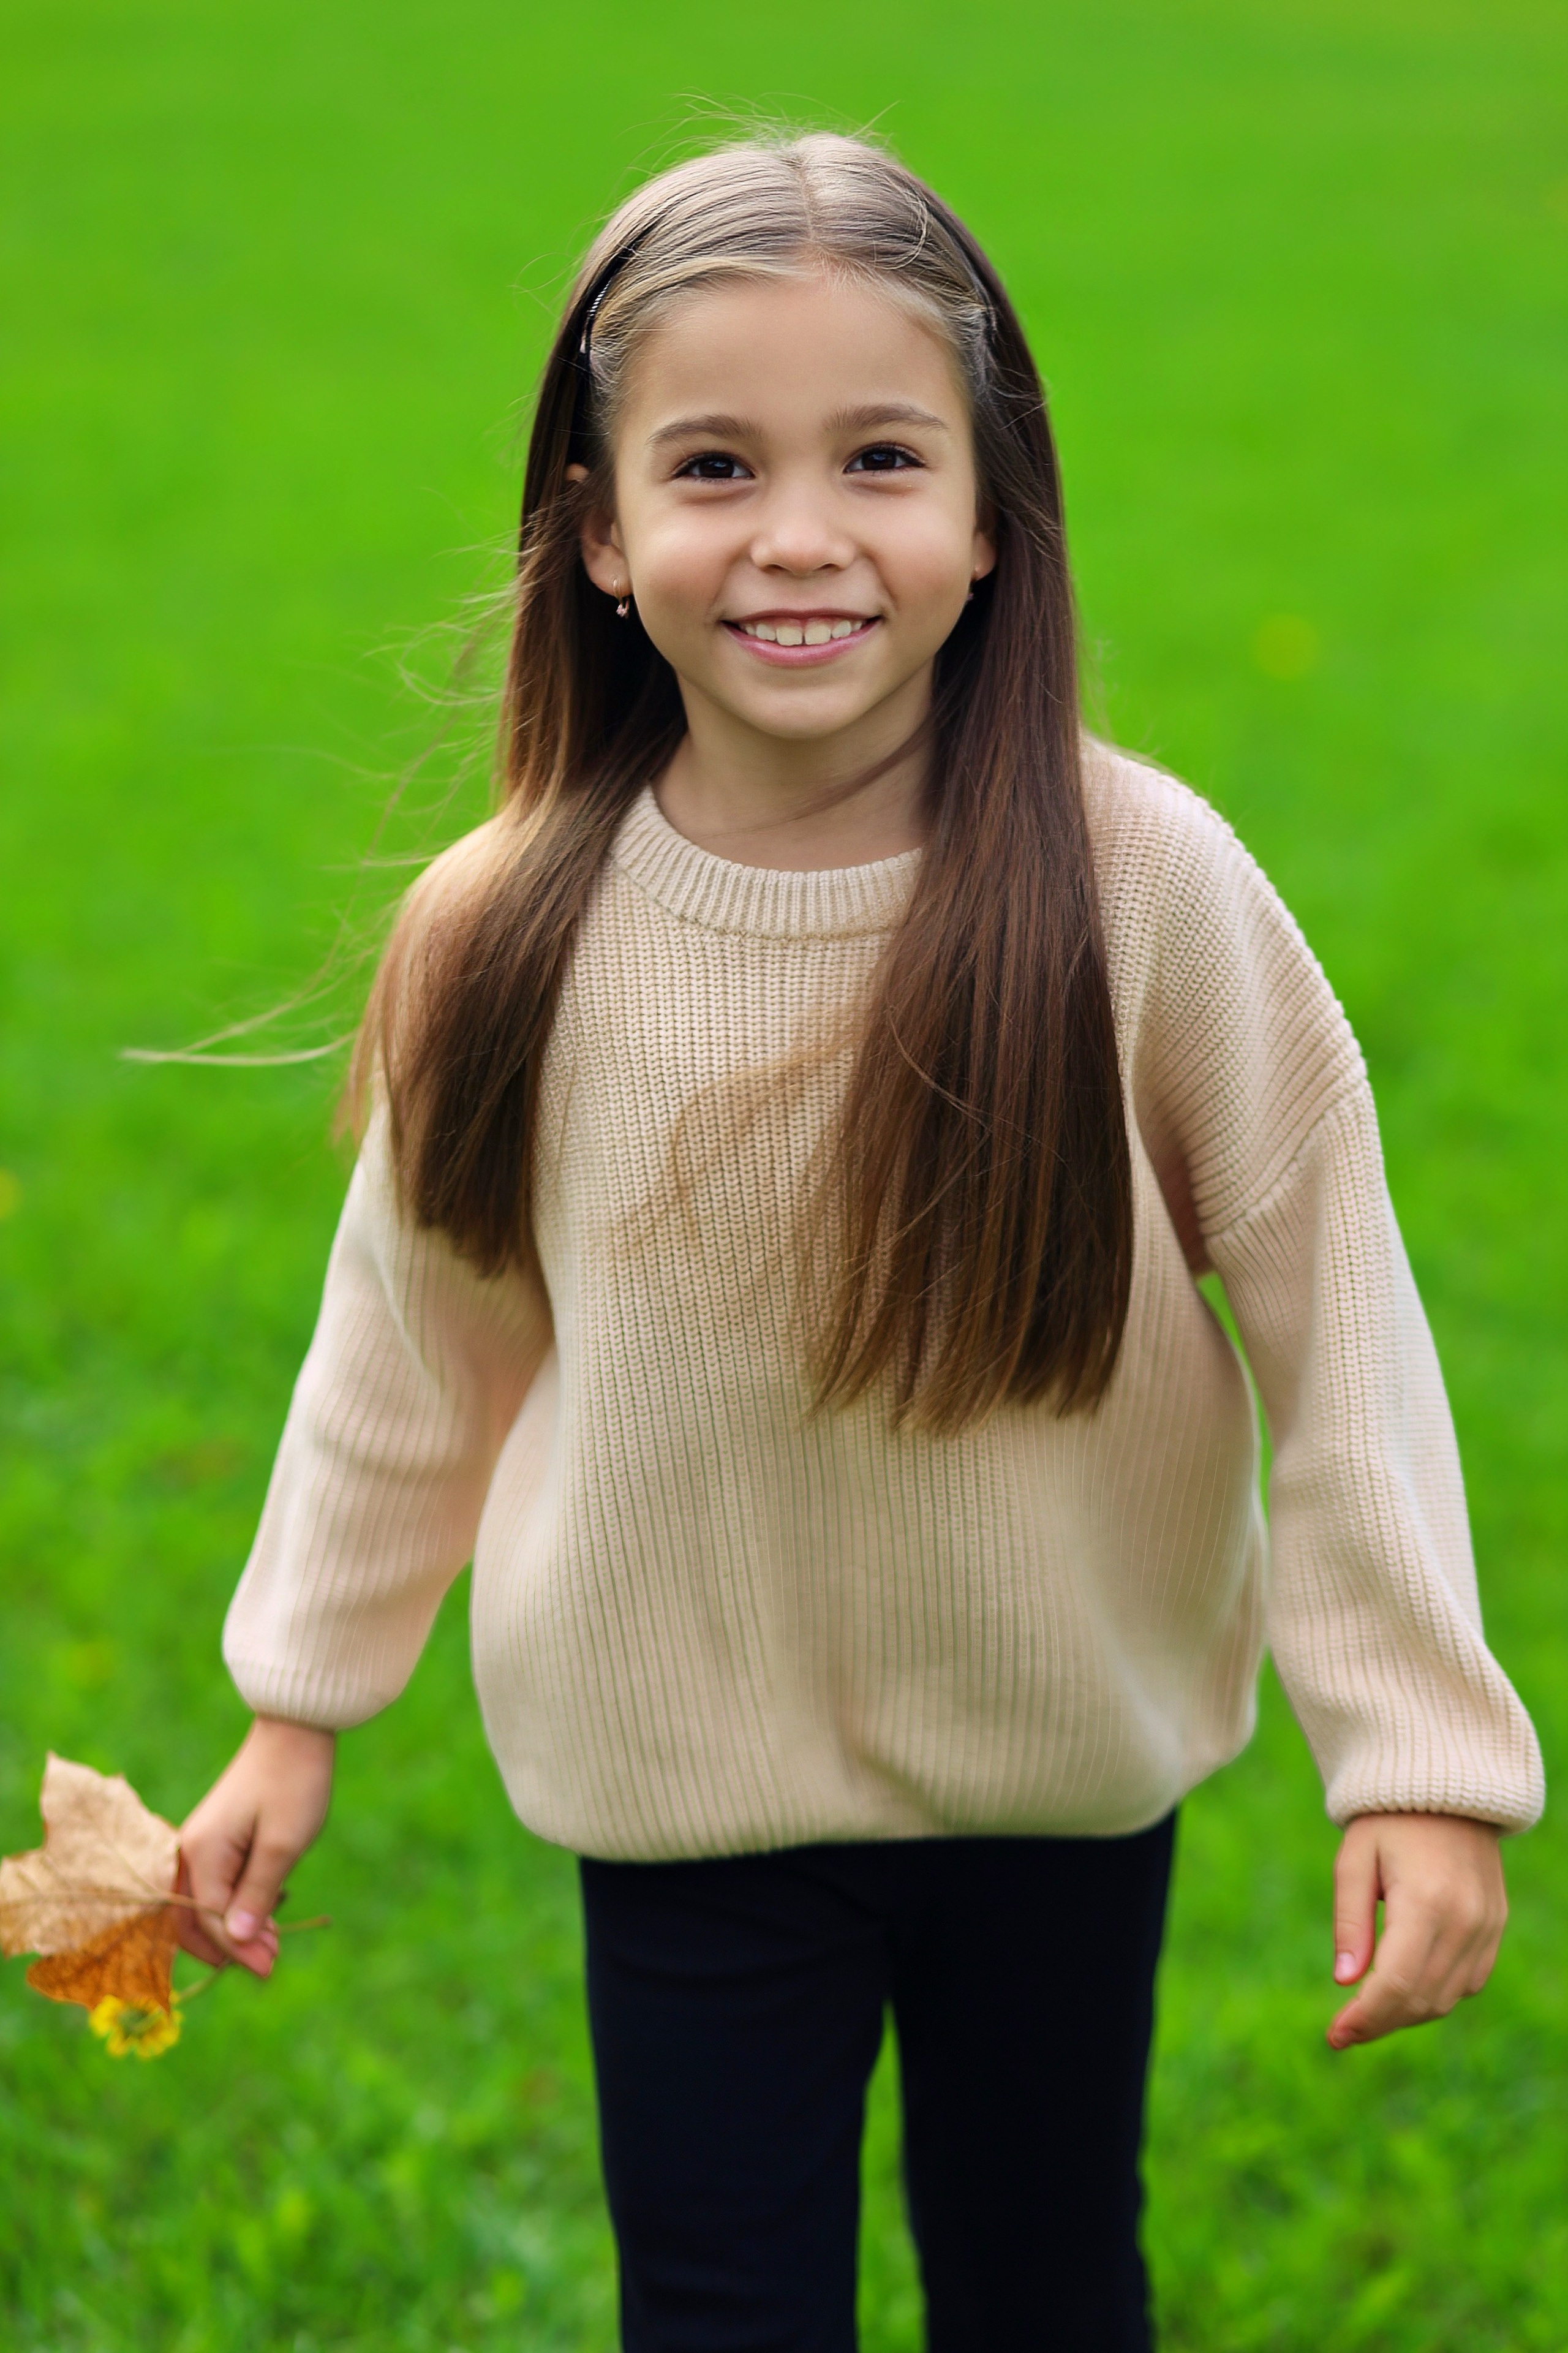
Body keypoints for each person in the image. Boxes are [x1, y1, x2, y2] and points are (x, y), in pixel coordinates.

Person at [175, 132, 1543, 2352]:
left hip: (1054, 1780)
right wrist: (292, 1710)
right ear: (601, 535)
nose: (799, 536)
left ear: (991, 517)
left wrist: (1414, 1756)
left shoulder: (1145, 888)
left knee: (1041, 2278)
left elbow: (1337, 1320)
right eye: (713, 465)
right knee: (721, 2305)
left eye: (881, 458)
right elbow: (406, 1347)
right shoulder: (504, 931)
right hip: (687, 1802)